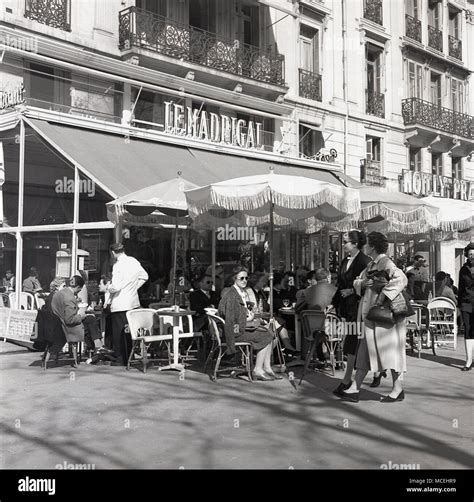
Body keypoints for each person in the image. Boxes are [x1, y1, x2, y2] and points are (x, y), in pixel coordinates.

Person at [337, 232, 408, 403]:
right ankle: (355, 388)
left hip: (383, 317)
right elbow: (358, 281)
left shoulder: (385, 262)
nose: (364, 246)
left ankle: (397, 389)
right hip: (373, 316)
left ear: (373, 246)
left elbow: (401, 279)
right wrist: (363, 283)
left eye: (367, 243)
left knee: (389, 352)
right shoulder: (374, 263)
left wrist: (381, 291)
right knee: (365, 352)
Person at [218, 266, 280, 381]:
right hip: (234, 333)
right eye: (241, 278)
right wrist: (231, 345)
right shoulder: (231, 296)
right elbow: (230, 320)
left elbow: (238, 314)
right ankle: (258, 369)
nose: (245, 281)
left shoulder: (238, 292)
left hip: (238, 329)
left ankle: (266, 367)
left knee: (268, 332)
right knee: (266, 335)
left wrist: (249, 316)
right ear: (234, 279)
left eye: (246, 278)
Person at [331, 231, 372, 397]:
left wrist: (353, 291)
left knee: (353, 343)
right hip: (347, 309)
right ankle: (353, 378)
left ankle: (347, 380)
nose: (343, 244)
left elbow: (370, 286)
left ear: (355, 244)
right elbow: (340, 284)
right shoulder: (344, 261)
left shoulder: (365, 261)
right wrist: (332, 304)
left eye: (346, 242)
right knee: (352, 344)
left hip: (359, 308)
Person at [107, 243, 149, 366]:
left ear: (113, 253)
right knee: (129, 331)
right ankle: (129, 355)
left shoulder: (118, 265)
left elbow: (116, 286)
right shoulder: (134, 261)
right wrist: (134, 288)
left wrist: (109, 287)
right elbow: (144, 276)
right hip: (133, 302)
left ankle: (121, 358)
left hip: (120, 303)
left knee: (118, 332)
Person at [246, 272, 297, 353]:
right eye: (263, 281)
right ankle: (268, 353)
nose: (265, 284)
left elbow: (267, 307)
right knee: (277, 324)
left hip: (260, 319)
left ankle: (270, 354)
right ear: (256, 281)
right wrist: (263, 314)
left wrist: (269, 297)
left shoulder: (260, 293)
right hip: (252, 322)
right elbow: (250, 310)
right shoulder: (249, 292)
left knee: (277, 324)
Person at [51, 275, 89, 368]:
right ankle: (95, 349)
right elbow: (70, 320)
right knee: (91, 321)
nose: (79, 292)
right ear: (78, 287)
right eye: (80, 290)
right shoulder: (70, 298)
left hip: (56, 323)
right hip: (66, 328)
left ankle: (96, 347)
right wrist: (81, 316)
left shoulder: (59, 293)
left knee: (90, 321)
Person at [458, 243, 474, 371]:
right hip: (466, 303)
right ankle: (468, 360)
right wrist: (459, 305)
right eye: (470, 254)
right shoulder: (463, 269)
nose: (472, 256)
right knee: (468, 330)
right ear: (467, 256)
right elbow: (461, 288)